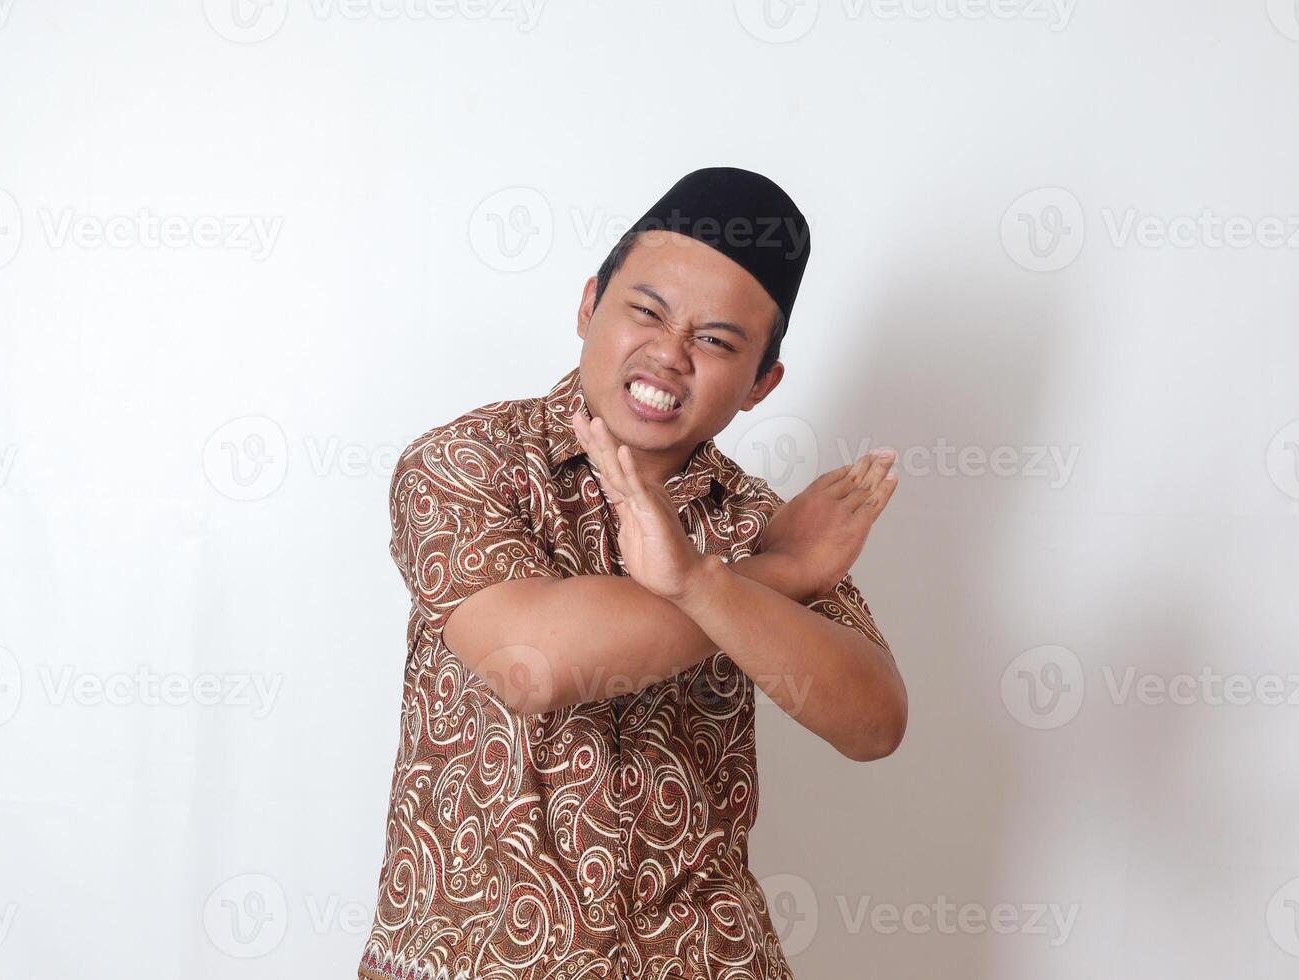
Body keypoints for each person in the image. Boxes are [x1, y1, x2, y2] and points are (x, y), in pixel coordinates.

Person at [359, 167, 906, 980]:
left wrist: (713, 575)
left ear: (761, 384)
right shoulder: (466, 464)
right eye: (646, 311)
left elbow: (873, 723)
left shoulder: (751, 518)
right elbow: (532, 664)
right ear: (588, 306)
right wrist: (771, 575)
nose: (668, 354)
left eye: (716, 342)